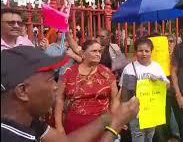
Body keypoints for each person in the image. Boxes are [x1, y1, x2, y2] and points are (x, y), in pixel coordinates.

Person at [1, 46, 140, 142]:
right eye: (51, 80)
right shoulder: (9, 137)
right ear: (22, 91)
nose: (56, 87)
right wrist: (114, 127)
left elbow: (65, 141)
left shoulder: (29, 122)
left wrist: (109, 118)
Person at [54, 40, 119, 138]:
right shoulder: (70, 73)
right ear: (83, 54)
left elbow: (114, 99)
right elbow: (59, 99)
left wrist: (113, 122)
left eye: (99, 51)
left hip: (101, 125)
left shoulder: (107, 73)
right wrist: (59, 126)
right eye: (94, 51)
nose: (98, 54)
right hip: (74, 125)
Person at [120, 38, 170, 142]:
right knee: (137, 137)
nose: (144, 54)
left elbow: (167, 86)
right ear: (136, 52)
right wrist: (123, 113)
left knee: (149, 137)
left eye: (147, 51)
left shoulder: (156, 67)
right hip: (136, 113)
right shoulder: (129, 68)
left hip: (152, 112)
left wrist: (159, 81)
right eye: (140, 51)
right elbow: (124, 93)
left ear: (151, 52)